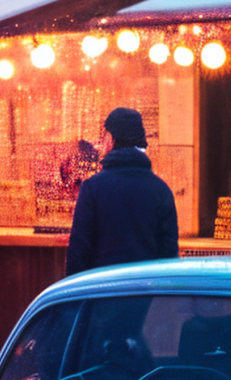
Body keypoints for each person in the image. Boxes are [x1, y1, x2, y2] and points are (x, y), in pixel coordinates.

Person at [65, 106, 179, 273]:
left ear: (110, 139)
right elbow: (169, 256)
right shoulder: (161, 191)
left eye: (104, 138)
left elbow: (79, 252)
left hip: (103, 293)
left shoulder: (92, 189)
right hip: (144, 293)